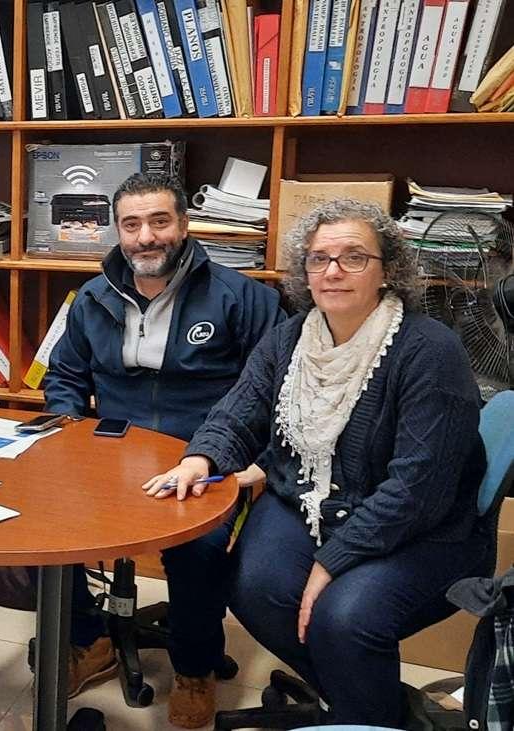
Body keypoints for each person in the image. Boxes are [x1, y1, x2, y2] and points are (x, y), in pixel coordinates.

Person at [148, 199, 489, 726]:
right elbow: (240, 411)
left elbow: (418, 490)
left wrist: (331, 561)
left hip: (424, 528)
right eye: (318, 258)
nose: (332, 271)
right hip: (313, 500)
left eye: (354, 257)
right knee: (255, 589)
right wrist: (200, 457)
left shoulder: (429, 351)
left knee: (344, 617)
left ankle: (364, 711)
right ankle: (361, 702)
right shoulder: (292, 337)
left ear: (388, 270)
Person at [42, 172, 283, 727]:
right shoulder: (93, 298)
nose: (146, 237)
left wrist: (254, 463)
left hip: (206, 456)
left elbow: (277, 390)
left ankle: (195, 670)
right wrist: (69, 434)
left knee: (197, 549)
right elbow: (65, 376)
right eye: (131, 225)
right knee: (44, 524)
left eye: (159, 221)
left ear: (184, 224)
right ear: (118, 231)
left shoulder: (243, 297)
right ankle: (90, 639)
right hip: (111, 453)